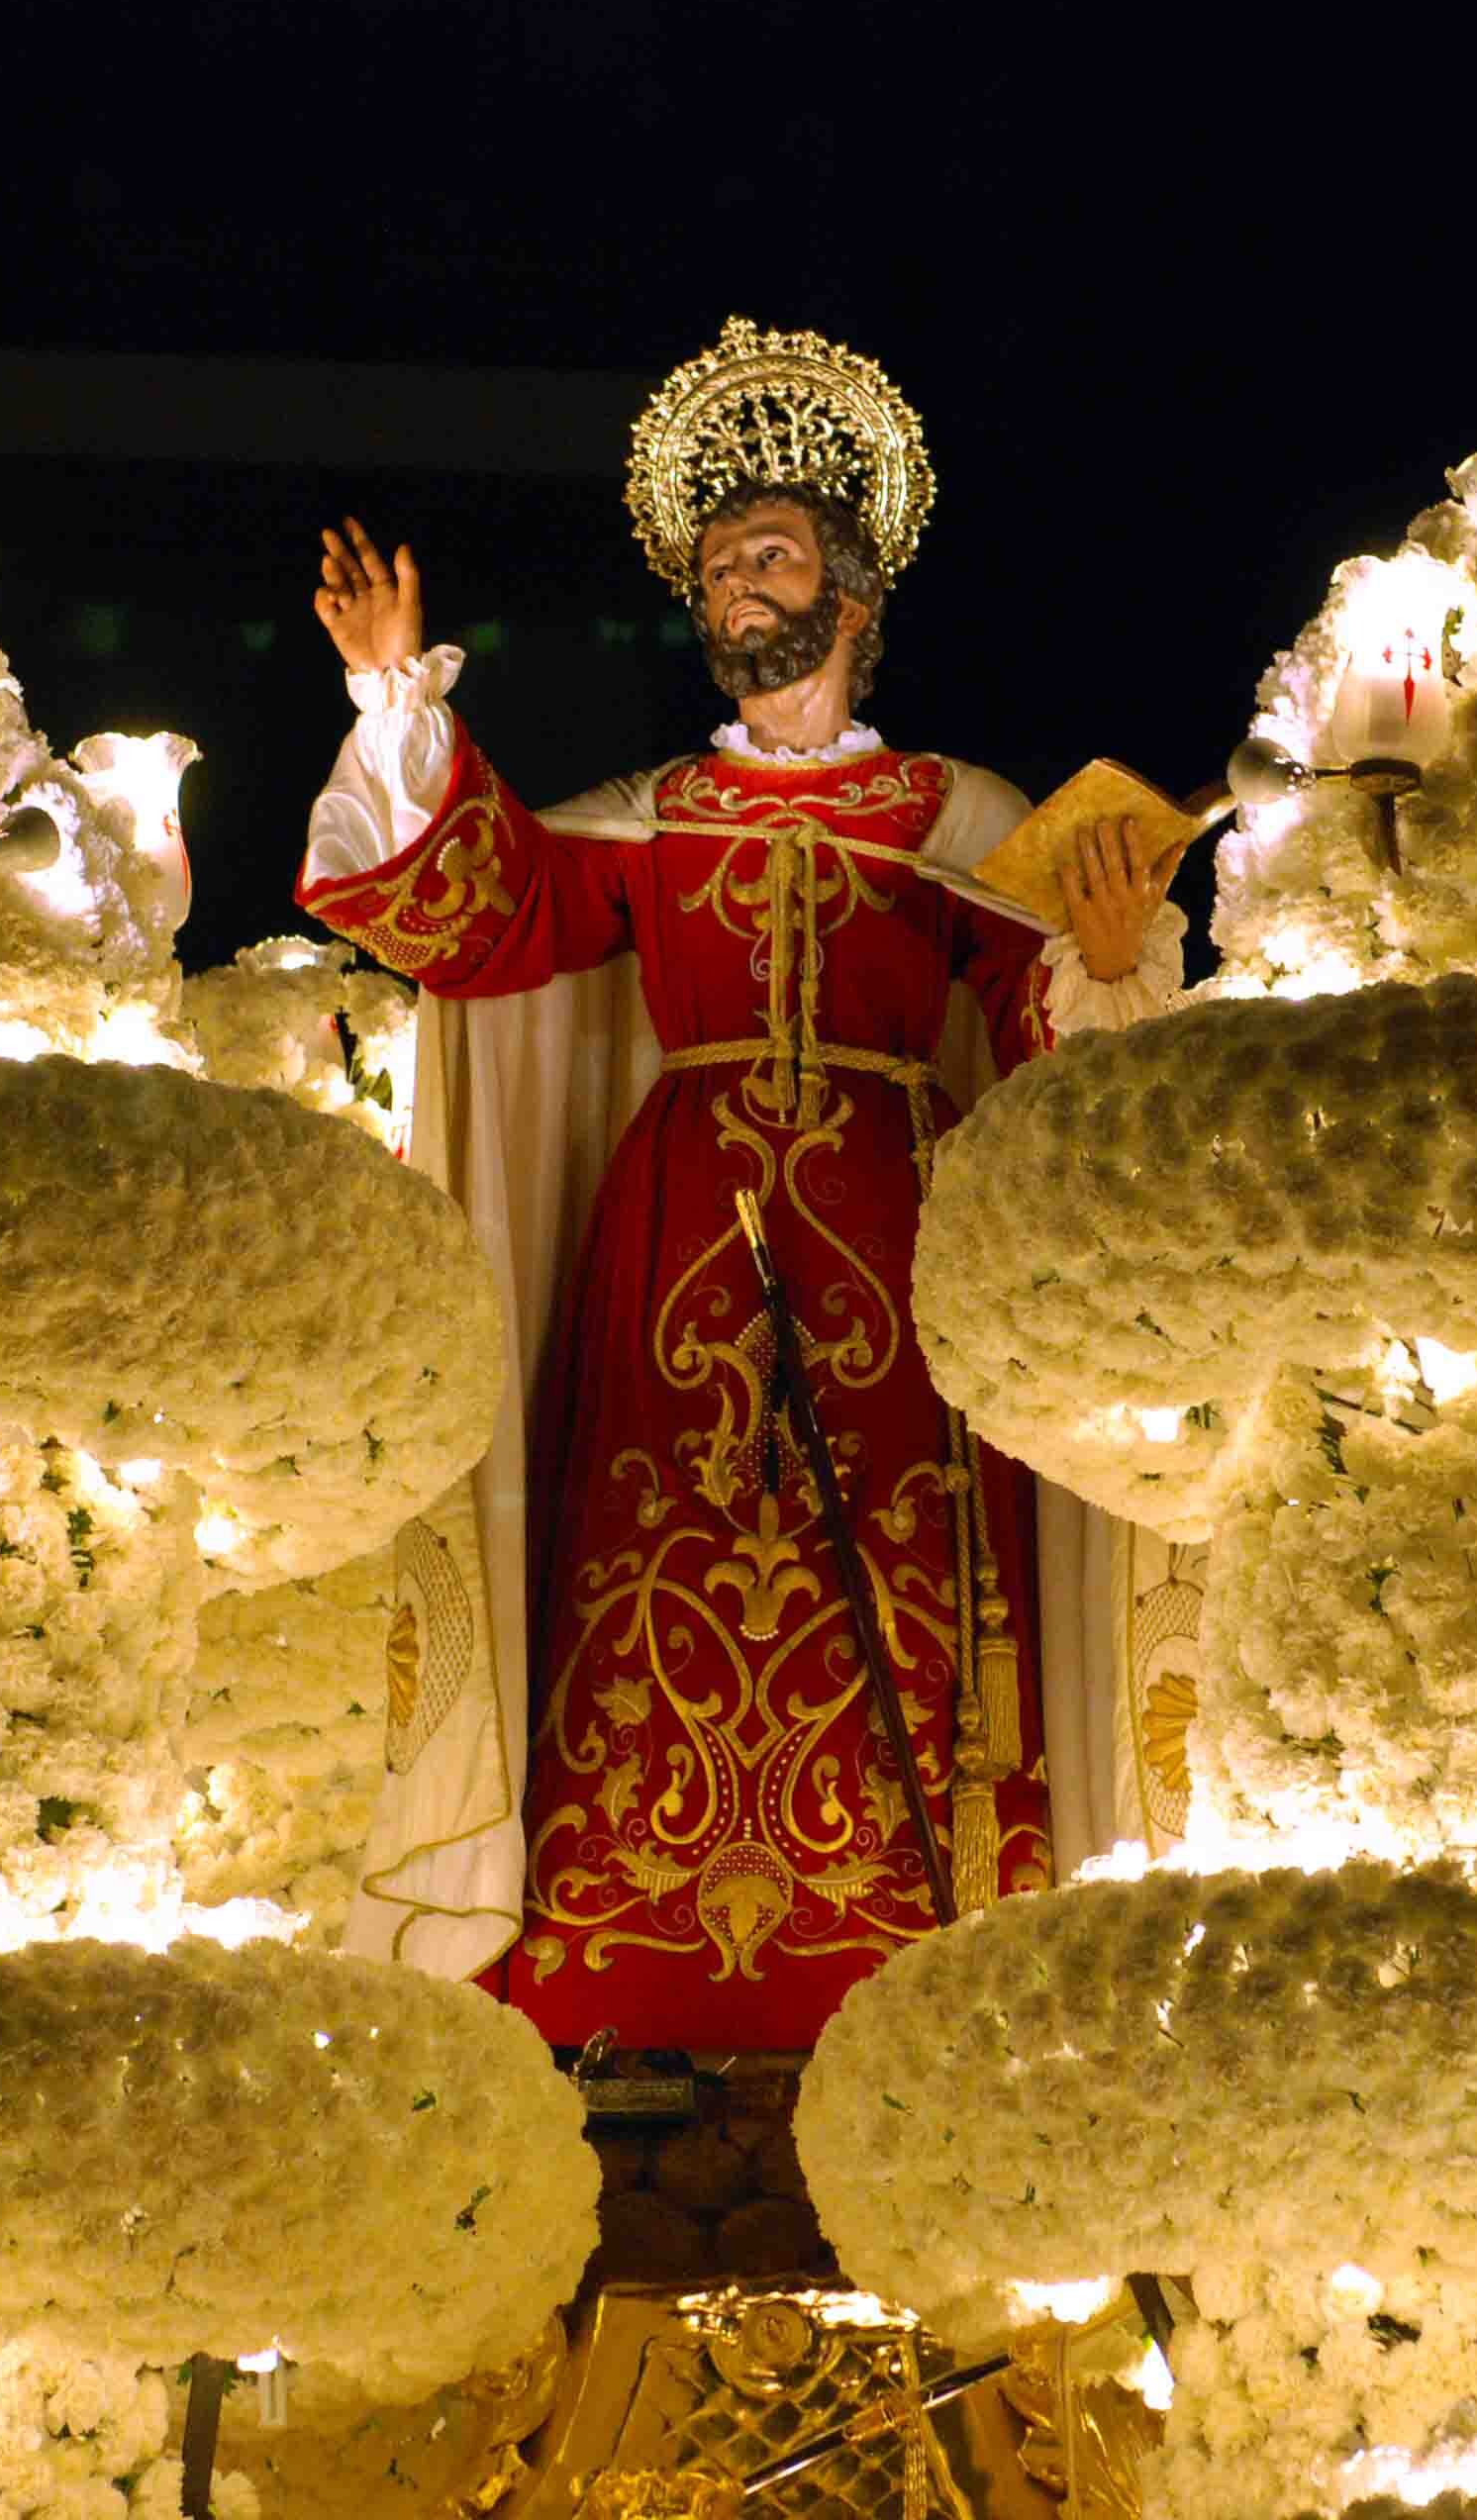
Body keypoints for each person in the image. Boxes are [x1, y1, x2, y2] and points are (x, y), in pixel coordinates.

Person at [295, 321, 1183, 2052]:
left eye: (769, 555)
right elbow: (473, 913)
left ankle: (922, 1961)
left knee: (917, 1597)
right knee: (657, 1576)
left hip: (899, 1237)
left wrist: (1101, 956)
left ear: (852, 597)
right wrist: (394, 699)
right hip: (679, 1241)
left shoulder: (960, 810)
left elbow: (1058, 1052)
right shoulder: (656, 813)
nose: (737, 583)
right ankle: (630, 1972)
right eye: (716, 563)